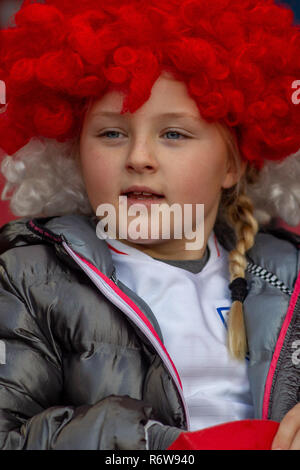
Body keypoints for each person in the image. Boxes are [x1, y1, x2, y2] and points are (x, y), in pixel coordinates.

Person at [0, 0, 300, 450]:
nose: (139, 157)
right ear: (73, 153)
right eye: (111, 133)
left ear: (232, 166)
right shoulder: (29, 277)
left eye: (174, 134)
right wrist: (158, 449)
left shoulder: (289, 273)